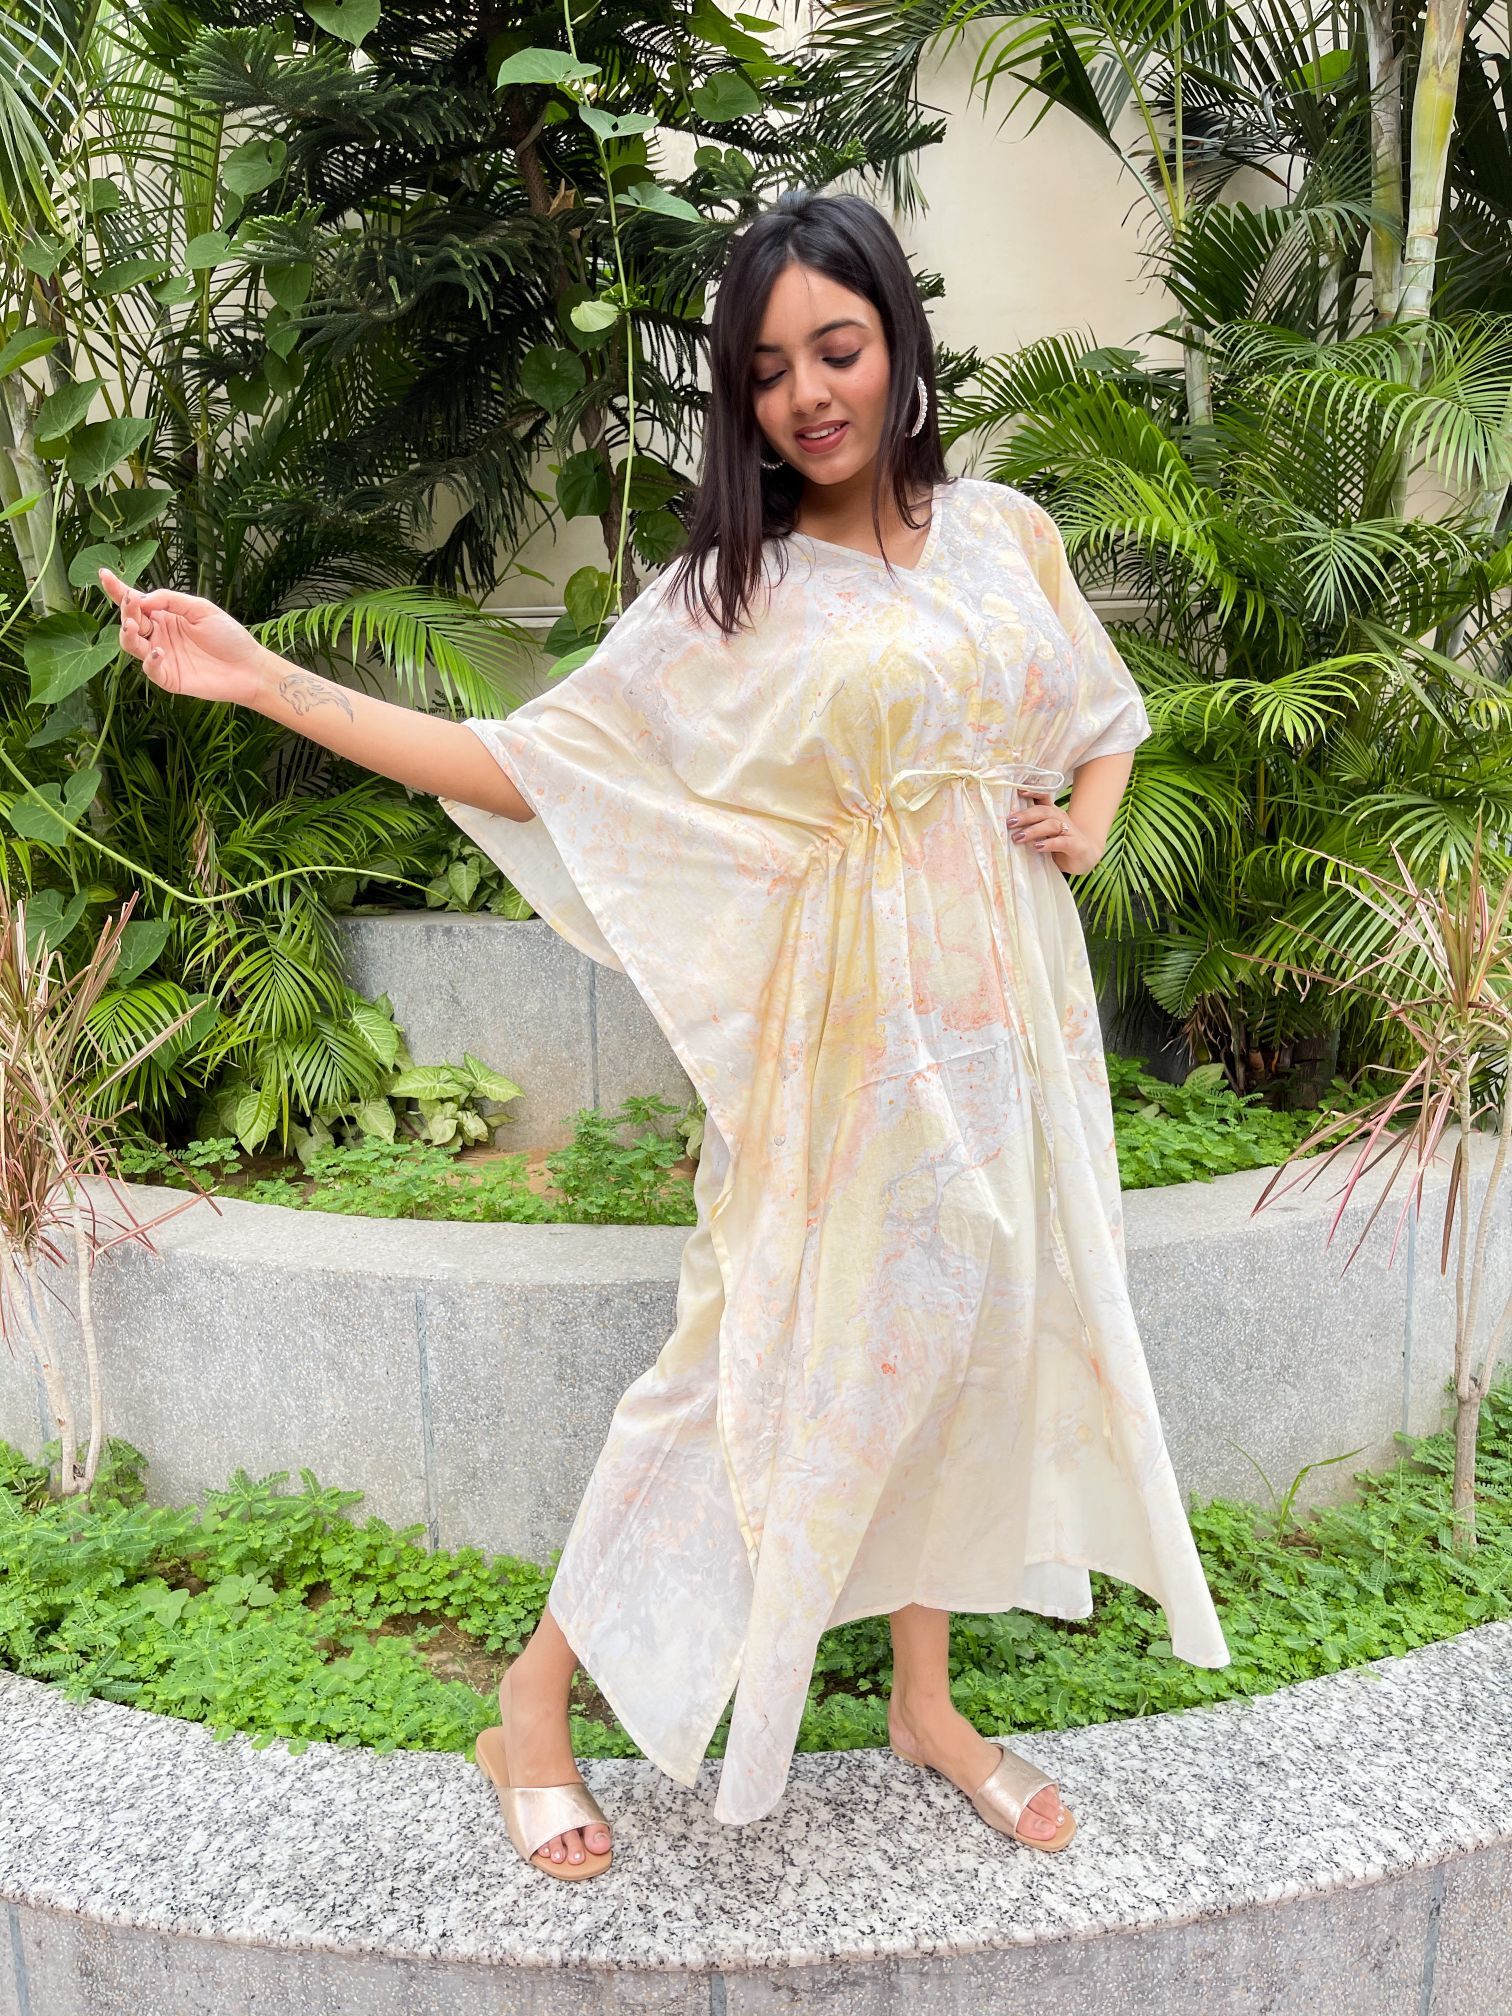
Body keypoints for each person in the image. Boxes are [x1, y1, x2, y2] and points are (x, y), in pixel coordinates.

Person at [100, 187, 1230, 1887]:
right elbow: (529, 766)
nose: (809, 395)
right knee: (741, 1369)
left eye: (838, 349)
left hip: (1013, 1027)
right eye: (767, 370)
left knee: (957, 1347)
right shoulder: (728, 594)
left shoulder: (1008, 531)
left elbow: (1100, 706)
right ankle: (530, 1705)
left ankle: (927, 1705)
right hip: (842, 1051)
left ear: (900, 343)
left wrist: (1089, 816)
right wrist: (269, 682)